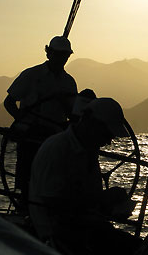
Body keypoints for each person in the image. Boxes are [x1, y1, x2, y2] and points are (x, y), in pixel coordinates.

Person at [28, 97, 140, 254]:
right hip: (58, 236)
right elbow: (53, 205)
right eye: (106, 133)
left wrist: (108, 205)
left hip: (82, 229)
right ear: (89, 121)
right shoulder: (56, 149)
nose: (108, 141)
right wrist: (102, 199)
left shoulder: (87, 151)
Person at [3, 36, 78, 205]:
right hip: (30, 136)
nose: (61, 59)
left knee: (53, 180)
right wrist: (22, 120)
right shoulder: (31, 75)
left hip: (55, 138)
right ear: (49, 53)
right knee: (27, 178)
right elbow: (9, 102)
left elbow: (72, 114)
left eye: (65, 55)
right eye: (58, 54)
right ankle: (24, 207)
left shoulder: (69, 82)